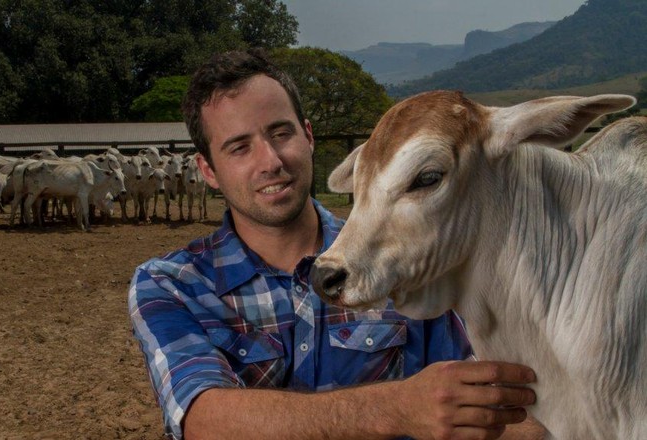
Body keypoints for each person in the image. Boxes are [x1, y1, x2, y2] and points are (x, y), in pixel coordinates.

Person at [128, 49, 545, 440]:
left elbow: (496, 402)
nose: (271, 160)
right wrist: (400, 407)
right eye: (239, 147)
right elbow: (206, 421)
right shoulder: (171, 285)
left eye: (281, 133)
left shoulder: (409, 256)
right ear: (208, 170)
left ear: (308, 136)